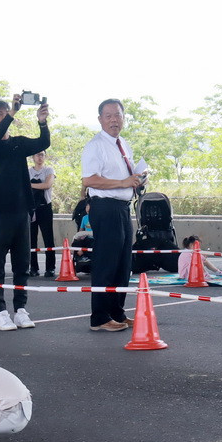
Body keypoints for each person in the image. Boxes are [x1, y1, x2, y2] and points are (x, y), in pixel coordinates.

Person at [0, 94, 50, 331]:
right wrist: (12, 114)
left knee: (22, 264)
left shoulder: (18, 143)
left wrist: (42, 121)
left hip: (22, 211)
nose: (5, 115)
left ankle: (20, 309)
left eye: (5, 112)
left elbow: (43, 143)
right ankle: (0, 312)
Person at [81, 98, 145, 332]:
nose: (114, 120)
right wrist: (123, 182)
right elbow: (89, 180)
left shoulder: (123, 144)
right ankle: (99, 317)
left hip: (122, 207)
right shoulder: (95, 145)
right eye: (108, 116)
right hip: (104, 206)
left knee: (122, 264)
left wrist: (136, 180)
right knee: (106, 262)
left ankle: (117, 311)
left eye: (117, 115)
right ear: (100, 119)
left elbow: (125, 177)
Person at [28, 151, 56, 277]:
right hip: (31, 208)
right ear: (33, 157)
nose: (40, 157)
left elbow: (47, 185)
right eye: (37, 155)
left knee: (48, 238)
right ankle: (33, 267)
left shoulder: (49, 170)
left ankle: (50, 268)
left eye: (42, 155)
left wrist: (30, 185)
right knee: (31, 238)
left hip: (45, 207)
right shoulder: (28, 171)